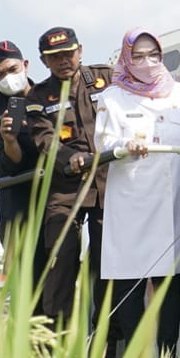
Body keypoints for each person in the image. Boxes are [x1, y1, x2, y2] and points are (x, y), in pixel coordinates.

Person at [94, 29, 180, 355]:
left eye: (153, 55)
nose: (147, 62)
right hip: (131, 203)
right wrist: (126, 144)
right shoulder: (112, 97)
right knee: (129, 282)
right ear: (126, 58)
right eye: (138, 56)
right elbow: (103, 142)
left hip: (171, 201)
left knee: (169, 283)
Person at [25, 26, 113, 327]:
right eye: (55, 57)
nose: (63, 60)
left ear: (80, 51)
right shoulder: (38, 96)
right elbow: (44, 138)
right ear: (43, 61)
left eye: (68, 53)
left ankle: (107, 339)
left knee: (107, 263)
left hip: (108, 184)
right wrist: (68, 157)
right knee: (60, 261)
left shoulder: (106, 78)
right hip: (66, 188)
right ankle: (55, 340)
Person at [0, 40, 41, 250]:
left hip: (56, 197)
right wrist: (9, 140)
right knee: (20, 265)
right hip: (17, 202)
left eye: (12, 69)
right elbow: (11, 165)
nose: (8, 78)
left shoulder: (50, 99)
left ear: (25, 64)